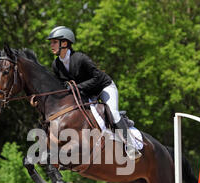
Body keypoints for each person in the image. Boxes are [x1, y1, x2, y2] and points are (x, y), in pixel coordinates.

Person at [47, 26, 141, 160]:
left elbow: (97, 78)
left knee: (113, 113)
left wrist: (76, 87)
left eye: (54, 42)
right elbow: (63, 84)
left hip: (104, 87)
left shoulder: (80, 58)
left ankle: (130, 146)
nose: (51, 45)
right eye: (51, 42)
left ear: (65, 43)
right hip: (85, 92)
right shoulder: (56, 65)